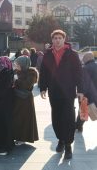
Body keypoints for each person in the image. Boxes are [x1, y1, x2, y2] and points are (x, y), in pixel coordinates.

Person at [40, 29, 83, 160]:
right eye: (55, 38)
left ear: (64, 39)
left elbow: (79, 73)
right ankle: (61, 139)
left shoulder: (72, 54)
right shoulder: (47, 54)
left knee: (68, 118)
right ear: (52, 40)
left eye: (60, 38)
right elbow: (43, 72)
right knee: (56, 117)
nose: (57, 40)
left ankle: (68, 145)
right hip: (54, 92)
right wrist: (43, 88)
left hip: (68, 92)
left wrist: (80, 90)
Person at [12, 55, 39, 144]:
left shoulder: (32, 72)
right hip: (17, 98)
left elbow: (26, 85)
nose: (16, 66)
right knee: (17, 118)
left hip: (25, 100)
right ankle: (17, 136)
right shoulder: (17, 72)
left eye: (18, 64)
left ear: (23, 64)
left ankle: (23, 138)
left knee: (25, 119)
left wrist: (16, 80)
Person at [76, 52, 97, 132]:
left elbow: (83, 83)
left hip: (88, 95)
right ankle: (78, 125)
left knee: (83, 111)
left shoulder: (85, 68)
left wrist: (81, 94)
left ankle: (79, 126)